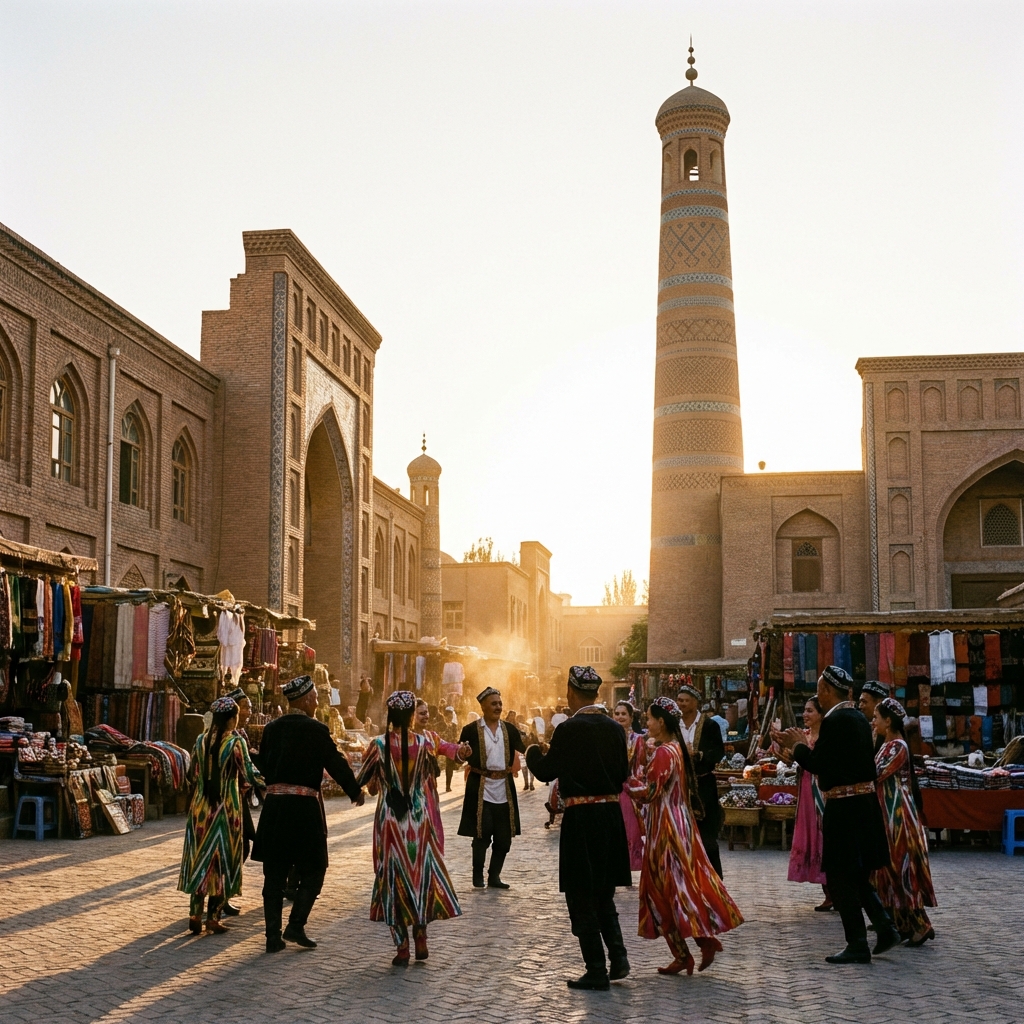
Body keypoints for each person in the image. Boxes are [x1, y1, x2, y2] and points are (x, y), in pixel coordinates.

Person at [773, 665, 901, 965]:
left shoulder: (837, 720)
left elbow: (820, 764)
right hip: (862, 806)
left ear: (827, 692)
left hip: (844, 808)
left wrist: (799, 747)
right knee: (855, 875)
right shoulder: (857, 718)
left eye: (819, 692)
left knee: (841, 877)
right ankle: (884, 927)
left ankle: (857, 942)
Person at [526, 666, 632, 990]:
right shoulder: (616, 729)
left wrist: (531, 752)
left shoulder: (569, 729)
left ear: (571, 693)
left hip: (581, 819)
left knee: (581, 895)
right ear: (596, 694)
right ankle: (619, 958)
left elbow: (545, 772)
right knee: (604, 894)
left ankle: (597, 970)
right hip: (611, 817)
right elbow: (623, 775)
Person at [626, 697, 743, 976]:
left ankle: (689, 951)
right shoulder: (676, 748)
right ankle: (697, 946)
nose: (647, 723)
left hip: (667, 830)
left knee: (663, 890)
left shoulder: (666, 752)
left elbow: (651, 793)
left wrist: (626, 784)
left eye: (650, 719)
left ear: (662, 722)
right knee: (675, 889)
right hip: (676, 825)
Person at [252, 674, 365, 953]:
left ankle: (272, 936)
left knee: (274, 875)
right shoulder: (316, 730)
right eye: (314, 698)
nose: (317, 702)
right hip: (304, 812)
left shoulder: (272, 729)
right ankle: (296, 924)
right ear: (303, 700)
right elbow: (336, 763)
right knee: (315, 869)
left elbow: (262, 764)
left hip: (276, 809)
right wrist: (355, 791)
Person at [358, 691, 470, 964]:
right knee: (421, 875)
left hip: (390, 820)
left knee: (392, 877)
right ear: (411, 715)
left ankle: (402, 947)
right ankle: (421, 935)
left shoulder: (378, 744)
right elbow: (439, 763)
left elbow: (362, 780)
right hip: (419, 817)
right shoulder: (423, 743)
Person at [178, 696, 265, 935]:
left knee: (201, 858)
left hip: (200, 808)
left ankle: (195, 913)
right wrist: (269, 783)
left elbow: (194, 773)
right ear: (230, 719)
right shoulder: (235, 742)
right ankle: (213, 918)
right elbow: (248, 772)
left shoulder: (200, 740)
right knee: (223, 859)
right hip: (226, 808)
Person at [871, 698, 937, 946]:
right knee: (891, 868)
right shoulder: (888, 745)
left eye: (876, 718)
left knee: (901, 869)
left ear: (888, 721)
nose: (873, 722)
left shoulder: (896, 747)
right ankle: (904, 924)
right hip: (889, 813)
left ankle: (921, 924)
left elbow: (874, 774)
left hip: (897, 815)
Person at [457, 686, 527, 888]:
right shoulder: (470, 730)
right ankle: (477, 876)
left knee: (504, 838)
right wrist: (463, 753)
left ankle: (494, 876)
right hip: (480, 787)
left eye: (500, 703)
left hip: (504, 788)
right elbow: (458, 755)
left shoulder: (510, 729)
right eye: (494, 703)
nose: (498, 707)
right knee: (481, 834)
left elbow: (525, 748)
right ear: (483, 707)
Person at [786, 696, 830, 911]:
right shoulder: (803, 735)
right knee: (812, 834)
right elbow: (793, 757)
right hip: (805, 789)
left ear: (821, 714)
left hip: (821, 791)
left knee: (822, 834)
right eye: (804, 710)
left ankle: (833, 890)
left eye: (810, 711)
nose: (805, 714)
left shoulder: (826, 737)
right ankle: (826, 889)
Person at [676, 684, 725, 878]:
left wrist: (700, 755)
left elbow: (718, 753)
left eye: (686, 700)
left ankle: (713, 878)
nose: (682, 704)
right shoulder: (674, 724)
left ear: (696, 703)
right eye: (680, 700)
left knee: (707, 838)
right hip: (680, 786)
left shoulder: (709, 725)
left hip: (704, 787)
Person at [221, 685, 261, 916]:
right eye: (244, 708)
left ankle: (221, 895)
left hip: (237, 798)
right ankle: (222, 895)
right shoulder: (232, 739)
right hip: (231, 799)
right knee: (236, 845)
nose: (248, 712)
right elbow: (248, 771)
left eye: (249, 707)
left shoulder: (239, 736)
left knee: (242, 844)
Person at [412, 697, 461, 853]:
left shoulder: (431, 737)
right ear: (411, 715)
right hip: (409, 795)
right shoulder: (401, 738)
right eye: (421, 713)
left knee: (431, 836)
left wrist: (462, 750)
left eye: (426, 713)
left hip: (429, 795)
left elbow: (447, 747)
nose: (426, 716)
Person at [612, 700, 647, 871]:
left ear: (631, 717)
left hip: (628, 789)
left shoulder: (638, 740)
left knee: (629, 830)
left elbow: (640, 765)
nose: (619, 717)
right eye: (617, 714)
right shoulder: (607, 738)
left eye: (623, 714)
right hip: (610, 789)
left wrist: (632, 783)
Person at [859, 681, 888, 751]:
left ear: (879, 703)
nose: (860, 706)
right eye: (860, 702)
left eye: (864, 702)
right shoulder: (863, 726)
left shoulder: (888, 731)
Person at [440, 705, 460, 793]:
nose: (450, 717)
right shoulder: (441, 724)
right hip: (441, 746)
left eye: (451, 716)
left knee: (449, 766)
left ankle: (448, 785)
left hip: (450, 747)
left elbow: (456, 737)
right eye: (448, 716)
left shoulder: (454, 726)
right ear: (445, 715)